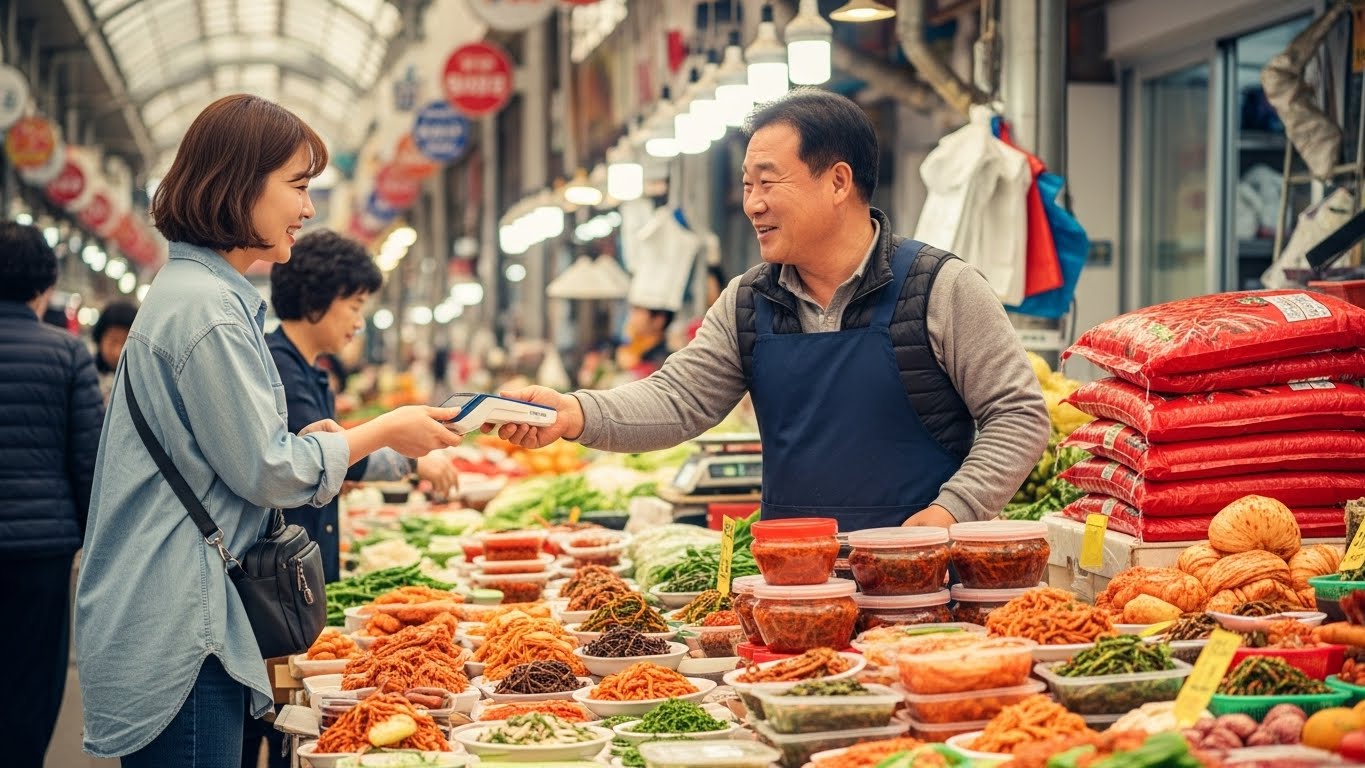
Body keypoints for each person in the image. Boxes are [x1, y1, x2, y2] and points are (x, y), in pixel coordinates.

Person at [74, 94, 464, 768]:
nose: (307, 210)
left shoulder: (200, 293)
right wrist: (383, 432)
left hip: (175, 610)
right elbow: (269, 469)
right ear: (239, 182)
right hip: (183, 623)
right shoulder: (209, 310)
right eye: (298, 186)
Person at [495, 89, 1050, 531]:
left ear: (837, 182)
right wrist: (572, 412)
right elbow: (678, 398)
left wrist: (950, 513)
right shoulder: (748, 300)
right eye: (745, 184)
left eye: (767, 182)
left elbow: (1018, 414)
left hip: (923, 587)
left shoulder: (941, 288)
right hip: (794, 587)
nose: (752, 203)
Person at [266, 228, 460, 581]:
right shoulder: (280, 368)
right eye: (354, 307)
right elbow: (322, 456)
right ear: (314, 302)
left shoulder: (309, 370)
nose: (358, 323)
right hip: (289, 575)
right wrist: (410, 462)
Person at [0, 222, 104, 768]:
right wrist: (97, 544)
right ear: (44, 286)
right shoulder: (66, 354)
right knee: (32, 682)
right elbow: (89, 462)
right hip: (40, 553)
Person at [92, 300, 138, 401]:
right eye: (113, 342)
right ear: (100, 339)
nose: (118, 352)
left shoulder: (140, 380)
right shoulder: (87, 374)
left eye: (125, 343)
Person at [615, 305, 673, 379]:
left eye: (638, 313)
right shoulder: (625, 347)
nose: (631, 319)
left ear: (658, 320)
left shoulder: (663, 360)